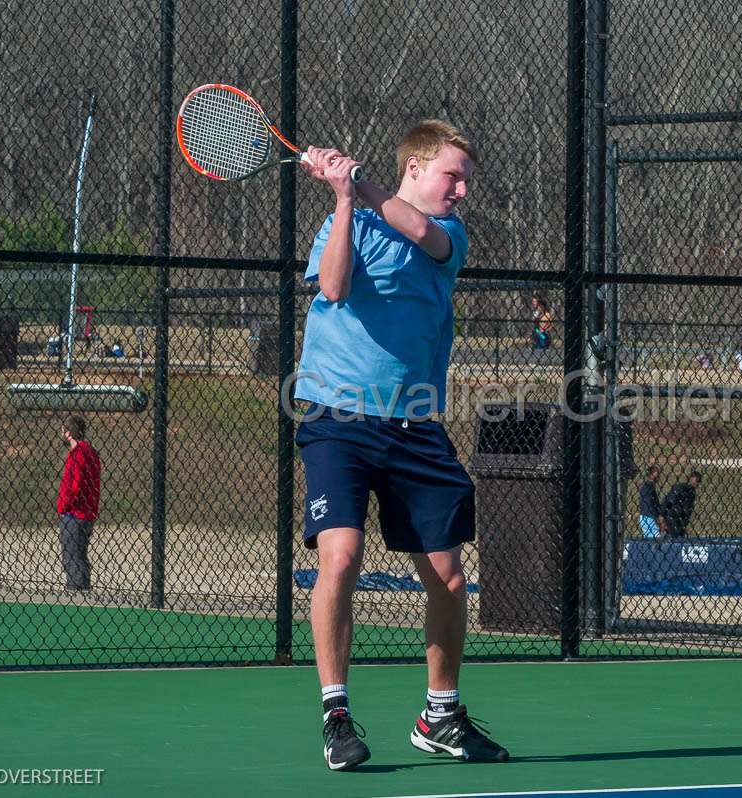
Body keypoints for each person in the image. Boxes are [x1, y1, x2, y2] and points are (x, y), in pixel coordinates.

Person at [292, 122, 508, 770]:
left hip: (414, 423)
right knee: (342, 558)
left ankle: (440, 716)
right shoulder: (349, 220)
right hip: (337, 418)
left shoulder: (451, 237)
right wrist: (341, 200)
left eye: (465, 178)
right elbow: (332, 290)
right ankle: (336, 716)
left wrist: (360, 183)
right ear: (417, 168)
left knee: (447, 575)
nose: (463, 190)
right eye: (453, 175)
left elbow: (421, 232)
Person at [56, 415, 101, 591]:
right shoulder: (90, 452)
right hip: (86, 512)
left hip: (75, 513)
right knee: (79, 556)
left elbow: (73, 486)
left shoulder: (78, 454)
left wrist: (63, 507)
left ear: (68, 433)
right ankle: (81, 588)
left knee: (72, 557)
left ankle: (77, 591)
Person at [660, 471, 701, 538]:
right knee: (673, 538)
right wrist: (662, 515)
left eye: (699, 481)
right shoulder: (680, 488)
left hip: (681, 521)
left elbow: (688, 509)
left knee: (679, 539)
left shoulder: (692, 493)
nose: (697, 483)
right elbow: (668, 501)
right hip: (672, 518)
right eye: (697, 480)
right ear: (691, 478)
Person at [638, 465, 662, 539]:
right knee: (656, 540)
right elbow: (648, 504)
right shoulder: (649, 487)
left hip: (645, 516)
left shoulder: (647, 486)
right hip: (648, 517)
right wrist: (656, 517)